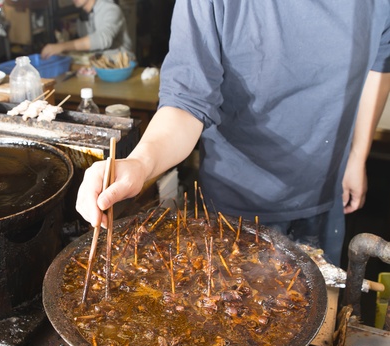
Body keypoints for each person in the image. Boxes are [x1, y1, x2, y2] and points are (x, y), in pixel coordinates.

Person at [75, 0, 390, 266]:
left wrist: (357, 155)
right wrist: (141, 163)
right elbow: (187, 100)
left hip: (325, 189)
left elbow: (380, 62)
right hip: (236, 207)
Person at [40, 0, 132, 59]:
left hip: (122, 68)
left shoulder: (111, 9)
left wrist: (63, 46)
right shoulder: (82, 17)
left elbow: (103, 39)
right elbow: (88, 47)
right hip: (97, 68)